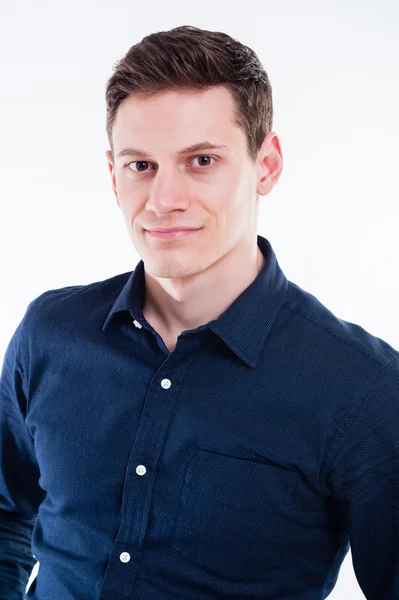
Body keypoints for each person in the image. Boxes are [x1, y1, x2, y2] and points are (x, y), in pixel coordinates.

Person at [0, 24, 398, 600]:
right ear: (113, 175)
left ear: (266, 165)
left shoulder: (360, 386)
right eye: (141, 165)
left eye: (201, 160)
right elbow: (7, 512)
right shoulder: (49, 333)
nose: (164, 200)